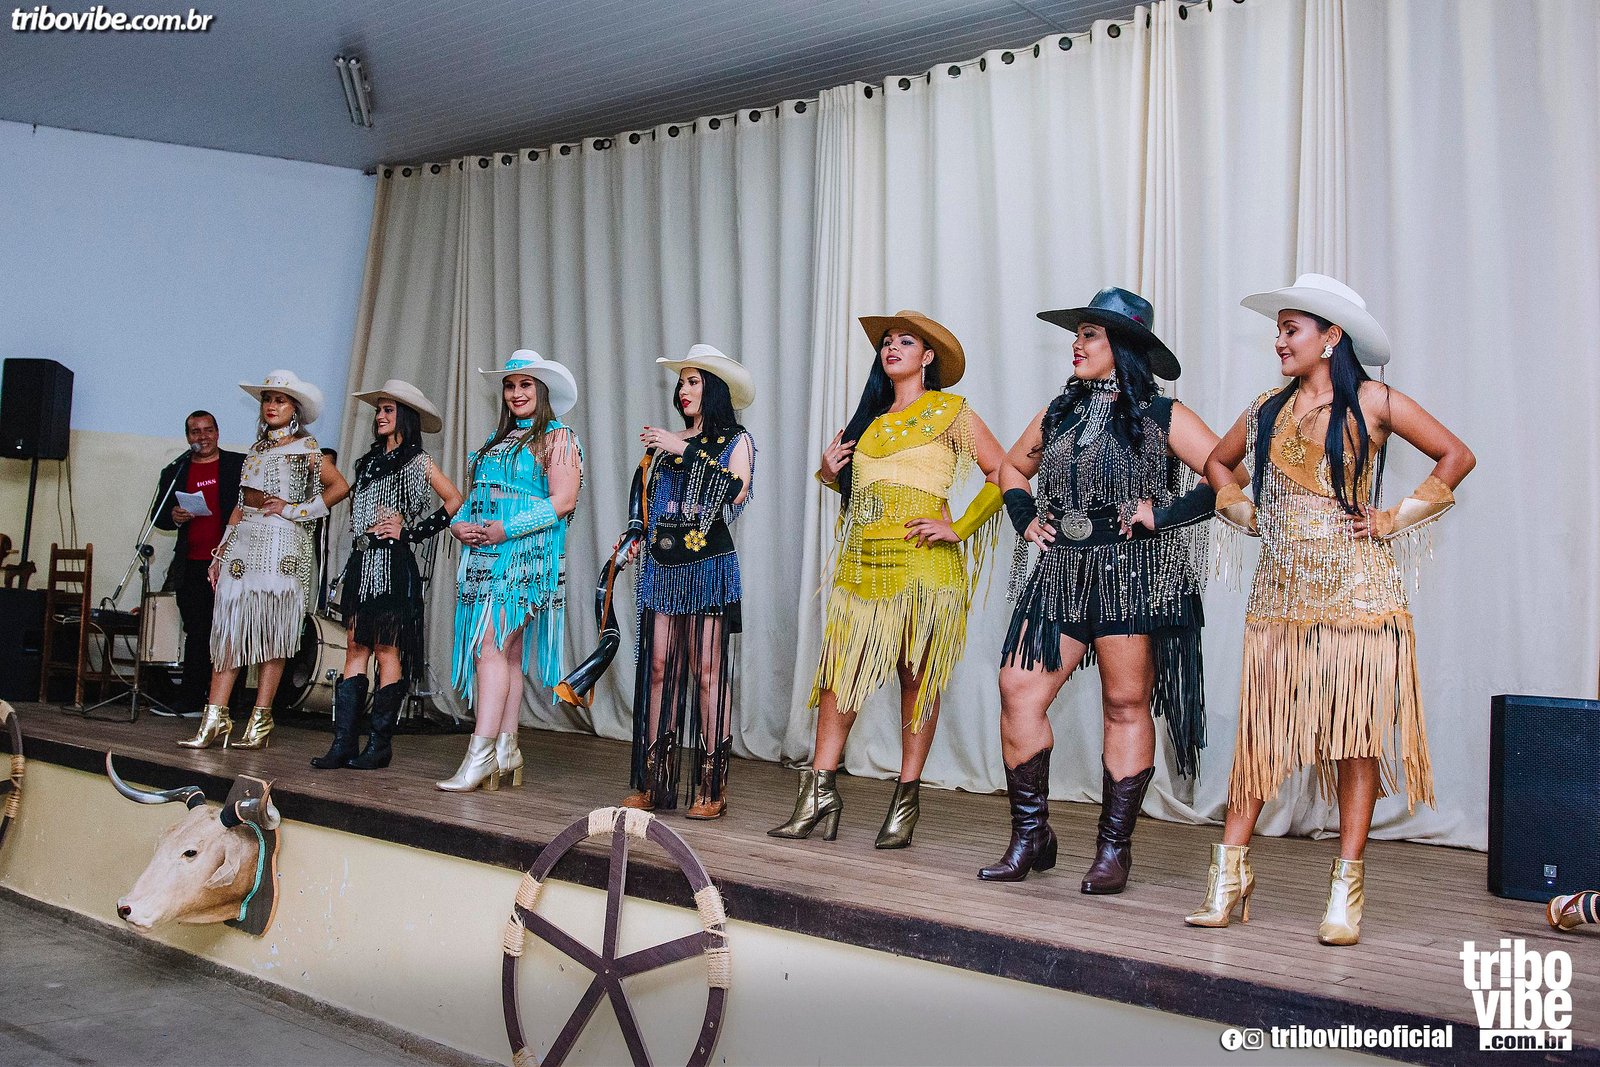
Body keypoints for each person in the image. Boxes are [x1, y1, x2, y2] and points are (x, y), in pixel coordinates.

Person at [1184, 274, 1473, 945]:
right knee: (1260, 734)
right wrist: (1244, 512)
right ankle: (1228, 877)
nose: (1279, 341)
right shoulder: (1266, 407)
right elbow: (1218, 465)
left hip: (1360, 598)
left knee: (1354, 737)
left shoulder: (1374, 399)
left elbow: (1456, 456)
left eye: (1291, 329)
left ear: (1331, 337)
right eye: (1279, 329)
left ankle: (1346, 892)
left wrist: (1393, 517)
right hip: (1280, 597)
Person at [980, 288, 1229, 891]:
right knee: (1018, 688)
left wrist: (1161, 515)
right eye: (1079, 333)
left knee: (1124, 703)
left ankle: (1114, 849)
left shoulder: (1163, 413)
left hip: (1132, 573)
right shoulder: (1058, 411)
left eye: (1090, 334)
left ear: (1123, 345)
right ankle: (1031, 835)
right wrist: (1024, 515)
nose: (1077, 344)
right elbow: (1010, 468)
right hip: (1061, 571)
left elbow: (1229, 476)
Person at [770, 311, 1009, 848]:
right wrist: (831, 474)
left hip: (925, 564)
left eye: (905, 341)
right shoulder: (870, 422)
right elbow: (865, 495)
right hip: (864, 562)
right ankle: (819, 792)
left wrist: (959, 527)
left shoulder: (951, 412)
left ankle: (906, 799)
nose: (891, 348)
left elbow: (1004, 472)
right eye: (886, 342)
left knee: (915, 676)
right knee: (840, 673)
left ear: (928, 357)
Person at [179, 371, 350, 750]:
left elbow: (339, 486)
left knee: (273, 630)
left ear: (294, 409)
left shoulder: (305, 447)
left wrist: (296, 510)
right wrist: (220, 551)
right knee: (229, 628)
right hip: (244, 540)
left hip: (280, 541)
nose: (271, 406)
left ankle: (261, 719)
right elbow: (241, 504)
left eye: (280, 400)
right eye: (267, 399)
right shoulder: (256, 449)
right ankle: (214, 717)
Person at [621, 345, 756, 819]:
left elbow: (736, 492)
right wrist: (634, 535)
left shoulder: (735, 440)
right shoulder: (665, 443)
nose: (683, 389)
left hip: (708, 565)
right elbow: (644, 501)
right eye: (681, 382)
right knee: (658, 667)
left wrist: (686, 450)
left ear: (713, 389)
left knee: (707, 671)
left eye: (693, 381)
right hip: (662, 565)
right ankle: (655, 781)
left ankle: (712, 785)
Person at [440, 351, 583, 793]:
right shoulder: (495, 441)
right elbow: (477, 498)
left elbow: (563, 501)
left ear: (541, 391)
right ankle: (506, 749)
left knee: (490, 646)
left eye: (525, 385)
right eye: (510, 385)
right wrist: (458, 524)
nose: (516, 393)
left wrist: (507, 529)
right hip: (487, 555)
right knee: (507, 652)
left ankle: (479, 754)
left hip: (526, 556)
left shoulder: (558, 437)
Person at [311, 380, 462, 771]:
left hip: (393, 566)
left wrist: (410, 532)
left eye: (388, 409)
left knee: (386, 649)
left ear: (404, 416)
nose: (380, 415)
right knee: (355, 646)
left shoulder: (417, 461)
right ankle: (343, 742)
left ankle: (379, 745)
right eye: (379, 409)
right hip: (363, 563)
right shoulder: (367, 462)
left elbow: (454, 499)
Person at [151, 411, 244, 717]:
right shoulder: (176, 470)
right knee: (197, 632)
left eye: (208, 430)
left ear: (217, 432)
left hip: (233, 563)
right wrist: (174, 516)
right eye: (195, 432)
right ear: (187, 436)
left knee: (232, 631)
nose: (202, 437)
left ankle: (229, 703)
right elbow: (159, 517)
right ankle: (191, 700)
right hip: (192, 564)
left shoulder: (238, 465)